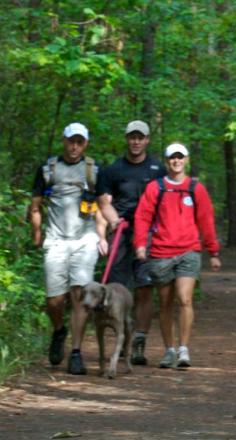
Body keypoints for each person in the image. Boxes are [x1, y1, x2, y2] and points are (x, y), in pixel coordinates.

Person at [133, 143, 221, 369]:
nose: (176, 161)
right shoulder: (155, 188)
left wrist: (213, 251)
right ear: (166, 161)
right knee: (165, 303)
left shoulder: (195, 188)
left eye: (180, 157)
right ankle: (169, 350)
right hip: (161, 252)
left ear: (186, 160)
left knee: (185, 299)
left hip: (188, 251)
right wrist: (140, 245)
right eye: (172, 158)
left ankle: (184, 349)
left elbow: (206, 219)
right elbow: (143, 217)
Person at [29, 122, 102, 375]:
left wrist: (102, 235)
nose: (74, 146)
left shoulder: (93, 170)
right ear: (64, 140)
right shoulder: (49, 168)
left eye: (80, 142)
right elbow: (36, 204)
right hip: (56, 239)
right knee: (54, 300)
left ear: (86, 144)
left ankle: (76, 352)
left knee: (79, 294)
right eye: (71, 141)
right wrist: (36, 232)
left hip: (85, 240)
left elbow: (102, 205)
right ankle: (59, 330)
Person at [96, 120, 166, 366]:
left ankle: (139, 342)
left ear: (147, 140)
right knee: (117, 288)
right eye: (132, 137)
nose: (136, 141)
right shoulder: (112, 170)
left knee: (145, 288)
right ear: (126, 139)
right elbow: (104, 203)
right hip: (122, 233)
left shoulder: (159, 169)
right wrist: (114, 222)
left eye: (141, 137)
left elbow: (166, 201)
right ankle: (120, 340)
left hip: (149, 235)